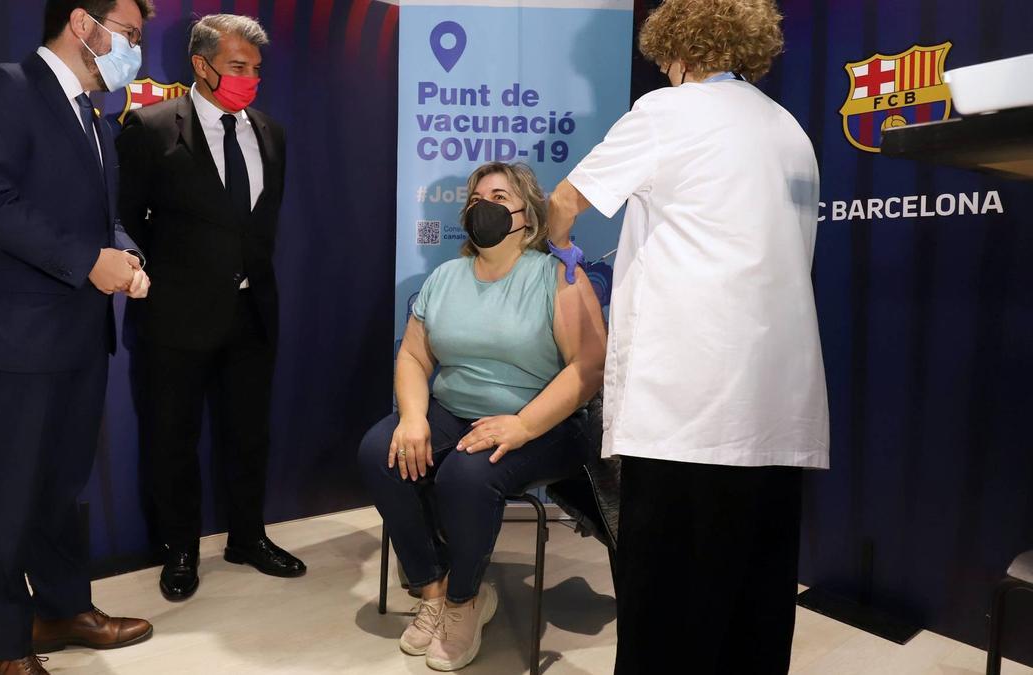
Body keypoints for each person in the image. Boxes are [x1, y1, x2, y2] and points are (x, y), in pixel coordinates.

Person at [544, 1, 829, 673]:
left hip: (689, 407)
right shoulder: (788, 128)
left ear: (675, 49)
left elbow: (564, 200)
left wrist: (562, 249)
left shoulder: (665, 114)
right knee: (754, 601)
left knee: (667, 606)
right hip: (778, 406)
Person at [0, 0, 156, 672]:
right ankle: (3, 650)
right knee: (11, 495)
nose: (136, 49)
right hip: (17, 335)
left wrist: (124, 257)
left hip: (79, 334)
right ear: (81, 24)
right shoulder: (5, 87)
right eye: (129, 33)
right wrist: (86, 261)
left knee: (64, 488)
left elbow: (105, 218)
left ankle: (63, 609)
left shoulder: (95, 117)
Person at [359, 162, 606, 671]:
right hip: (456, 409)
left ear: (528, 214)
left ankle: (464, 602)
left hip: (543, 421)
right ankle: (433, 589)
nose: (482, 207)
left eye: (498, 195)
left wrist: (523, 425)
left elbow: (589, 367)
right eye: (474, 199)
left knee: (466, 475)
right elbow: (413, 357)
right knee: (379, 453)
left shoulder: (558, 276)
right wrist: (412, 417)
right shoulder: (446, 277)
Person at [116, 14, 303, 603]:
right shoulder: (148, 128)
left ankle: (248, 537)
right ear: (202, 66)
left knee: (249, 435)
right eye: (237, 67)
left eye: (256, 69)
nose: (250, 78)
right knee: (172, 438)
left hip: (252, 315)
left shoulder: (271, 133)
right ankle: (178, 550)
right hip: (175, 319)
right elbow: (123, 217)